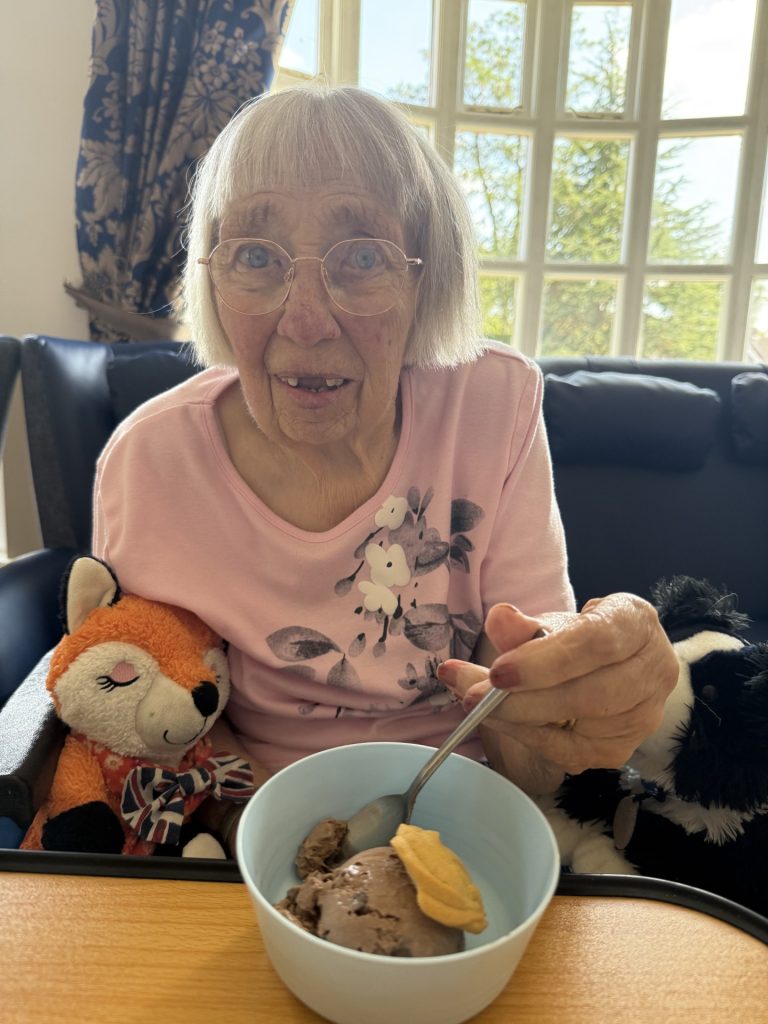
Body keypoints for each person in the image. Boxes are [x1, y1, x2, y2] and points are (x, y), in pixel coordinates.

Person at [92, 84, 678, 851]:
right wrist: (279, 838)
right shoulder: (149, 465)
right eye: (257, 257)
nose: (305, 320)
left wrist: (585, 704)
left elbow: (528, 747)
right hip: (252, 833)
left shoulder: (493, 406)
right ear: (212, 277)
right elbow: (151, 712)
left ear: (425, 278)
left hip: (473, 817)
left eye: (362, 257)